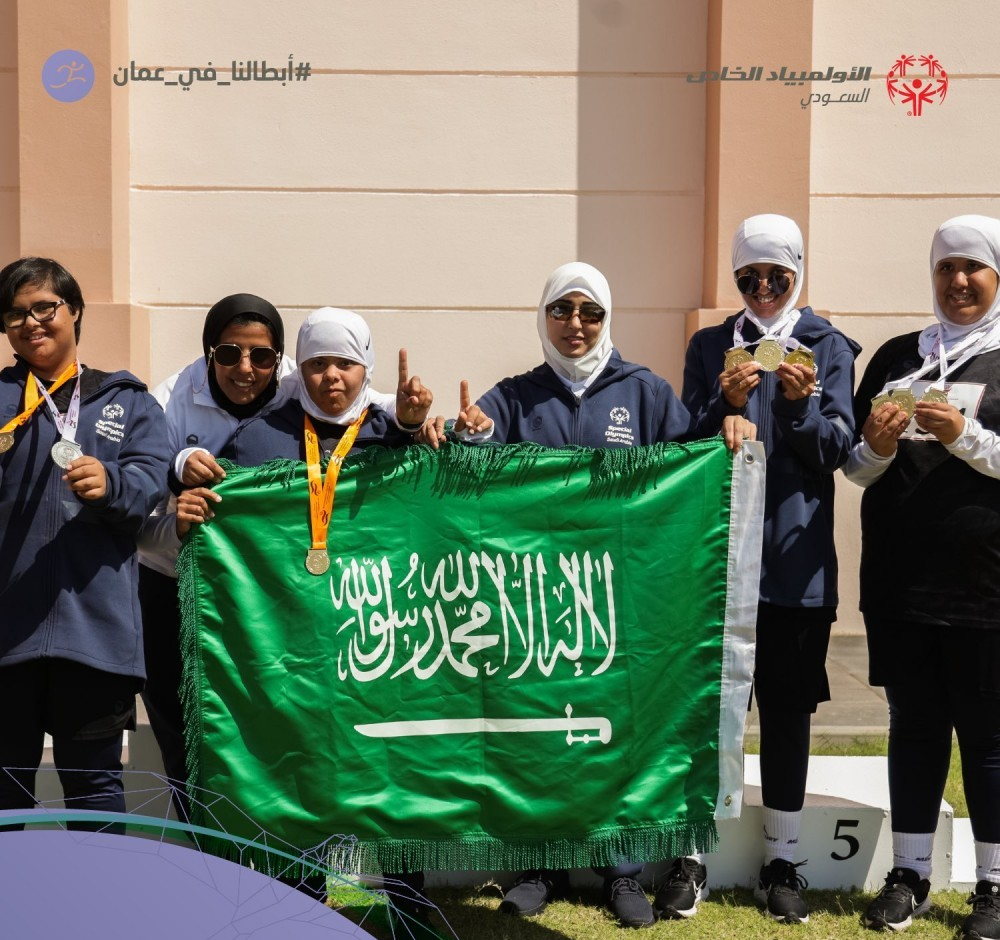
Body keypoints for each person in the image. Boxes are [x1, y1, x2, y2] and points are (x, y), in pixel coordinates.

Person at [421, 261, 752, 928]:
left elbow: (688, 467)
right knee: (541, 731)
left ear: (607, 318)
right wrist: (462, 436)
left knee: (616, 728)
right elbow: (472, 471)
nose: (576, 324)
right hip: (536, 609)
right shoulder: (515, 396)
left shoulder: (645, 392)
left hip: (620, 605)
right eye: (562, 310)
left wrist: (729, 424)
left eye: (590, 312)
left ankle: (621, 870)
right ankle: (540, 865)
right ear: (544, 317)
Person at [186, 305, 432, 916]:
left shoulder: (393, 429)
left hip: (380, 632)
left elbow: (448, 496)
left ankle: (407, 900)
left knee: (390, 760)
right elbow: (223, 509)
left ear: (366, 366)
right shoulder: (262, 435)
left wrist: (419, 429)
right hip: (294, 638)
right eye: (317, 363)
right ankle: (301, 903)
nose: (331, 378)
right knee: (301, 760)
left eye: (345, 364)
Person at [678, 215, 859, 924]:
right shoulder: (709, 346)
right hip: (715, 567)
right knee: (708, 716)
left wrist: (800, 406)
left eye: (775, 275)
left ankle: (781, 859)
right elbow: (681, 443)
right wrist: (720, 406)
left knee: (785, 717)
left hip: (794, 568)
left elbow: (839, 450)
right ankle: (691, 856)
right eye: (747, 276)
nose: (761, 287)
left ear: (798, 273)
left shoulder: (827, 346)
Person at [845, 214, 1000, 939]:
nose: (958, 281)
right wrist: (876, 447)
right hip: (902, 583)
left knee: (989, 738)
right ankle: (909, 876)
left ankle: (994, 887)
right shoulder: (898, 357)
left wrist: (965, 436)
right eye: (945, 268)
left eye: (973, 267)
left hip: (987, 585)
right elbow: (857, 469)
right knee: (913, 728)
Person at [0, 257, 169, 826]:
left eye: (44, 308)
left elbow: (151, 481)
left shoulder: (127, 399)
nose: (31, 322)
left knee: (95, 788)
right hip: (8, 637)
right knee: (4, 792)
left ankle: (100, 892)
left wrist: (111, 482)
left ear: (74, 311)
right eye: (16, 314)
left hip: (95, 635)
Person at [136, 293, 296, 819]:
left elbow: (358, 403)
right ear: (208, 352)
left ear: (279, 357)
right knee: (183, 724)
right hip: (173, 589)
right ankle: (203, 849)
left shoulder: (298, 384)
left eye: (262, 356)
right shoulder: (168, 400)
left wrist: (410, 421)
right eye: (229, 354)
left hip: (268, 593)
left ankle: (283, 855)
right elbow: (135, 517)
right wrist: (175, 473)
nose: (246, 369)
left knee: (275, 719)